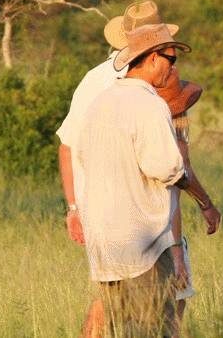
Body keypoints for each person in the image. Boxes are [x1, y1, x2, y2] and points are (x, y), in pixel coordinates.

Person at [74, 22, 191, 336]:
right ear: (153, 57)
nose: (173, 68)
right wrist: (185, 171)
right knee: (155, 328)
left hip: (105, 243)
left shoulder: (99, 103)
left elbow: (81, 158)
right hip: (144, 242)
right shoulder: (150, 104)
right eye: (171, 59)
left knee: (120, 326)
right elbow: (167, 167)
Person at [155, 66, 220, 330]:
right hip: (163, 236)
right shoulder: (172, 138)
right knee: (173, 319)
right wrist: (178, 255)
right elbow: (172, 203)